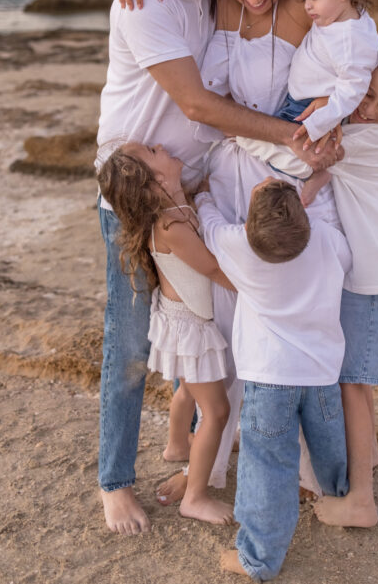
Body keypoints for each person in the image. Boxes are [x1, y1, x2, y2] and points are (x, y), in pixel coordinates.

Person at [97, 0, 335, 535]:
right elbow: (199, 105)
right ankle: (114, 481)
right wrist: (287, 134)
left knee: (208, 324)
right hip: (138, 191)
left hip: (195, 188)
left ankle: (200, 454)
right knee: (129, 340)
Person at [239, 40, 378, 526]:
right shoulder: (349, 124)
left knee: (353, 385)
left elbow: (295, 158)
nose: (368, 110)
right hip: (363, 264)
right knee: (353, 376)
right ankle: (372, 455)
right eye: (365, 95)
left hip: (371, 271)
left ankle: (361, 499)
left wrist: (235, 134)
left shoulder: (360, 136)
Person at [195, 178, 352, 580]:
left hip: (269, 378)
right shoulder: (328, 240)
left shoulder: (241, 246)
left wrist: (203, 193)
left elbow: (209, 221)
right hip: (321, 374)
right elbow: (343, 256)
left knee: (267, 466)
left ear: (251, 226)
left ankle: (258, 560)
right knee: (330, 445)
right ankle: (341, 498)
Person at [97, 141, 235, 525]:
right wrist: (257, 290)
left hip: (179, 319)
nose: (163, 145)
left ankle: (177, 444)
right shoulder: (171, 226)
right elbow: (210, 268)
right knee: (218, 411)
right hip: (191, 326)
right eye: (154, 150)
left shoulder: (174, 207)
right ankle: (196, 497)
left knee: (189, 389)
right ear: (156, 180)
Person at [236, 0, 378, 206]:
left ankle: (311, 172)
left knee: (256, 142)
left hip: (306, 111)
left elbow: (353, 87)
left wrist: (317, 125)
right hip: (301, 102)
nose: (307, 7)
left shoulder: (350, 39)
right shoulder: (342, 18)